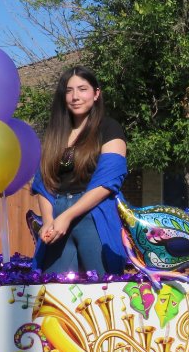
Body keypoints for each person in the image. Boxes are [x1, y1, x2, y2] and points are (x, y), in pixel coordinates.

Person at [30, 66, 128, 275]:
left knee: (102, 288)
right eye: (69, 90)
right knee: (55, 288)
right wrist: (48, 221)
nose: (75, 96)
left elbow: (108, 182)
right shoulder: (55, 134)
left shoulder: (109, 128)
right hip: (56, 216)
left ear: (96, 94)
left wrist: (68, 216)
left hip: (94, 214)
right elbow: (43, 182)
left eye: (82, 89)